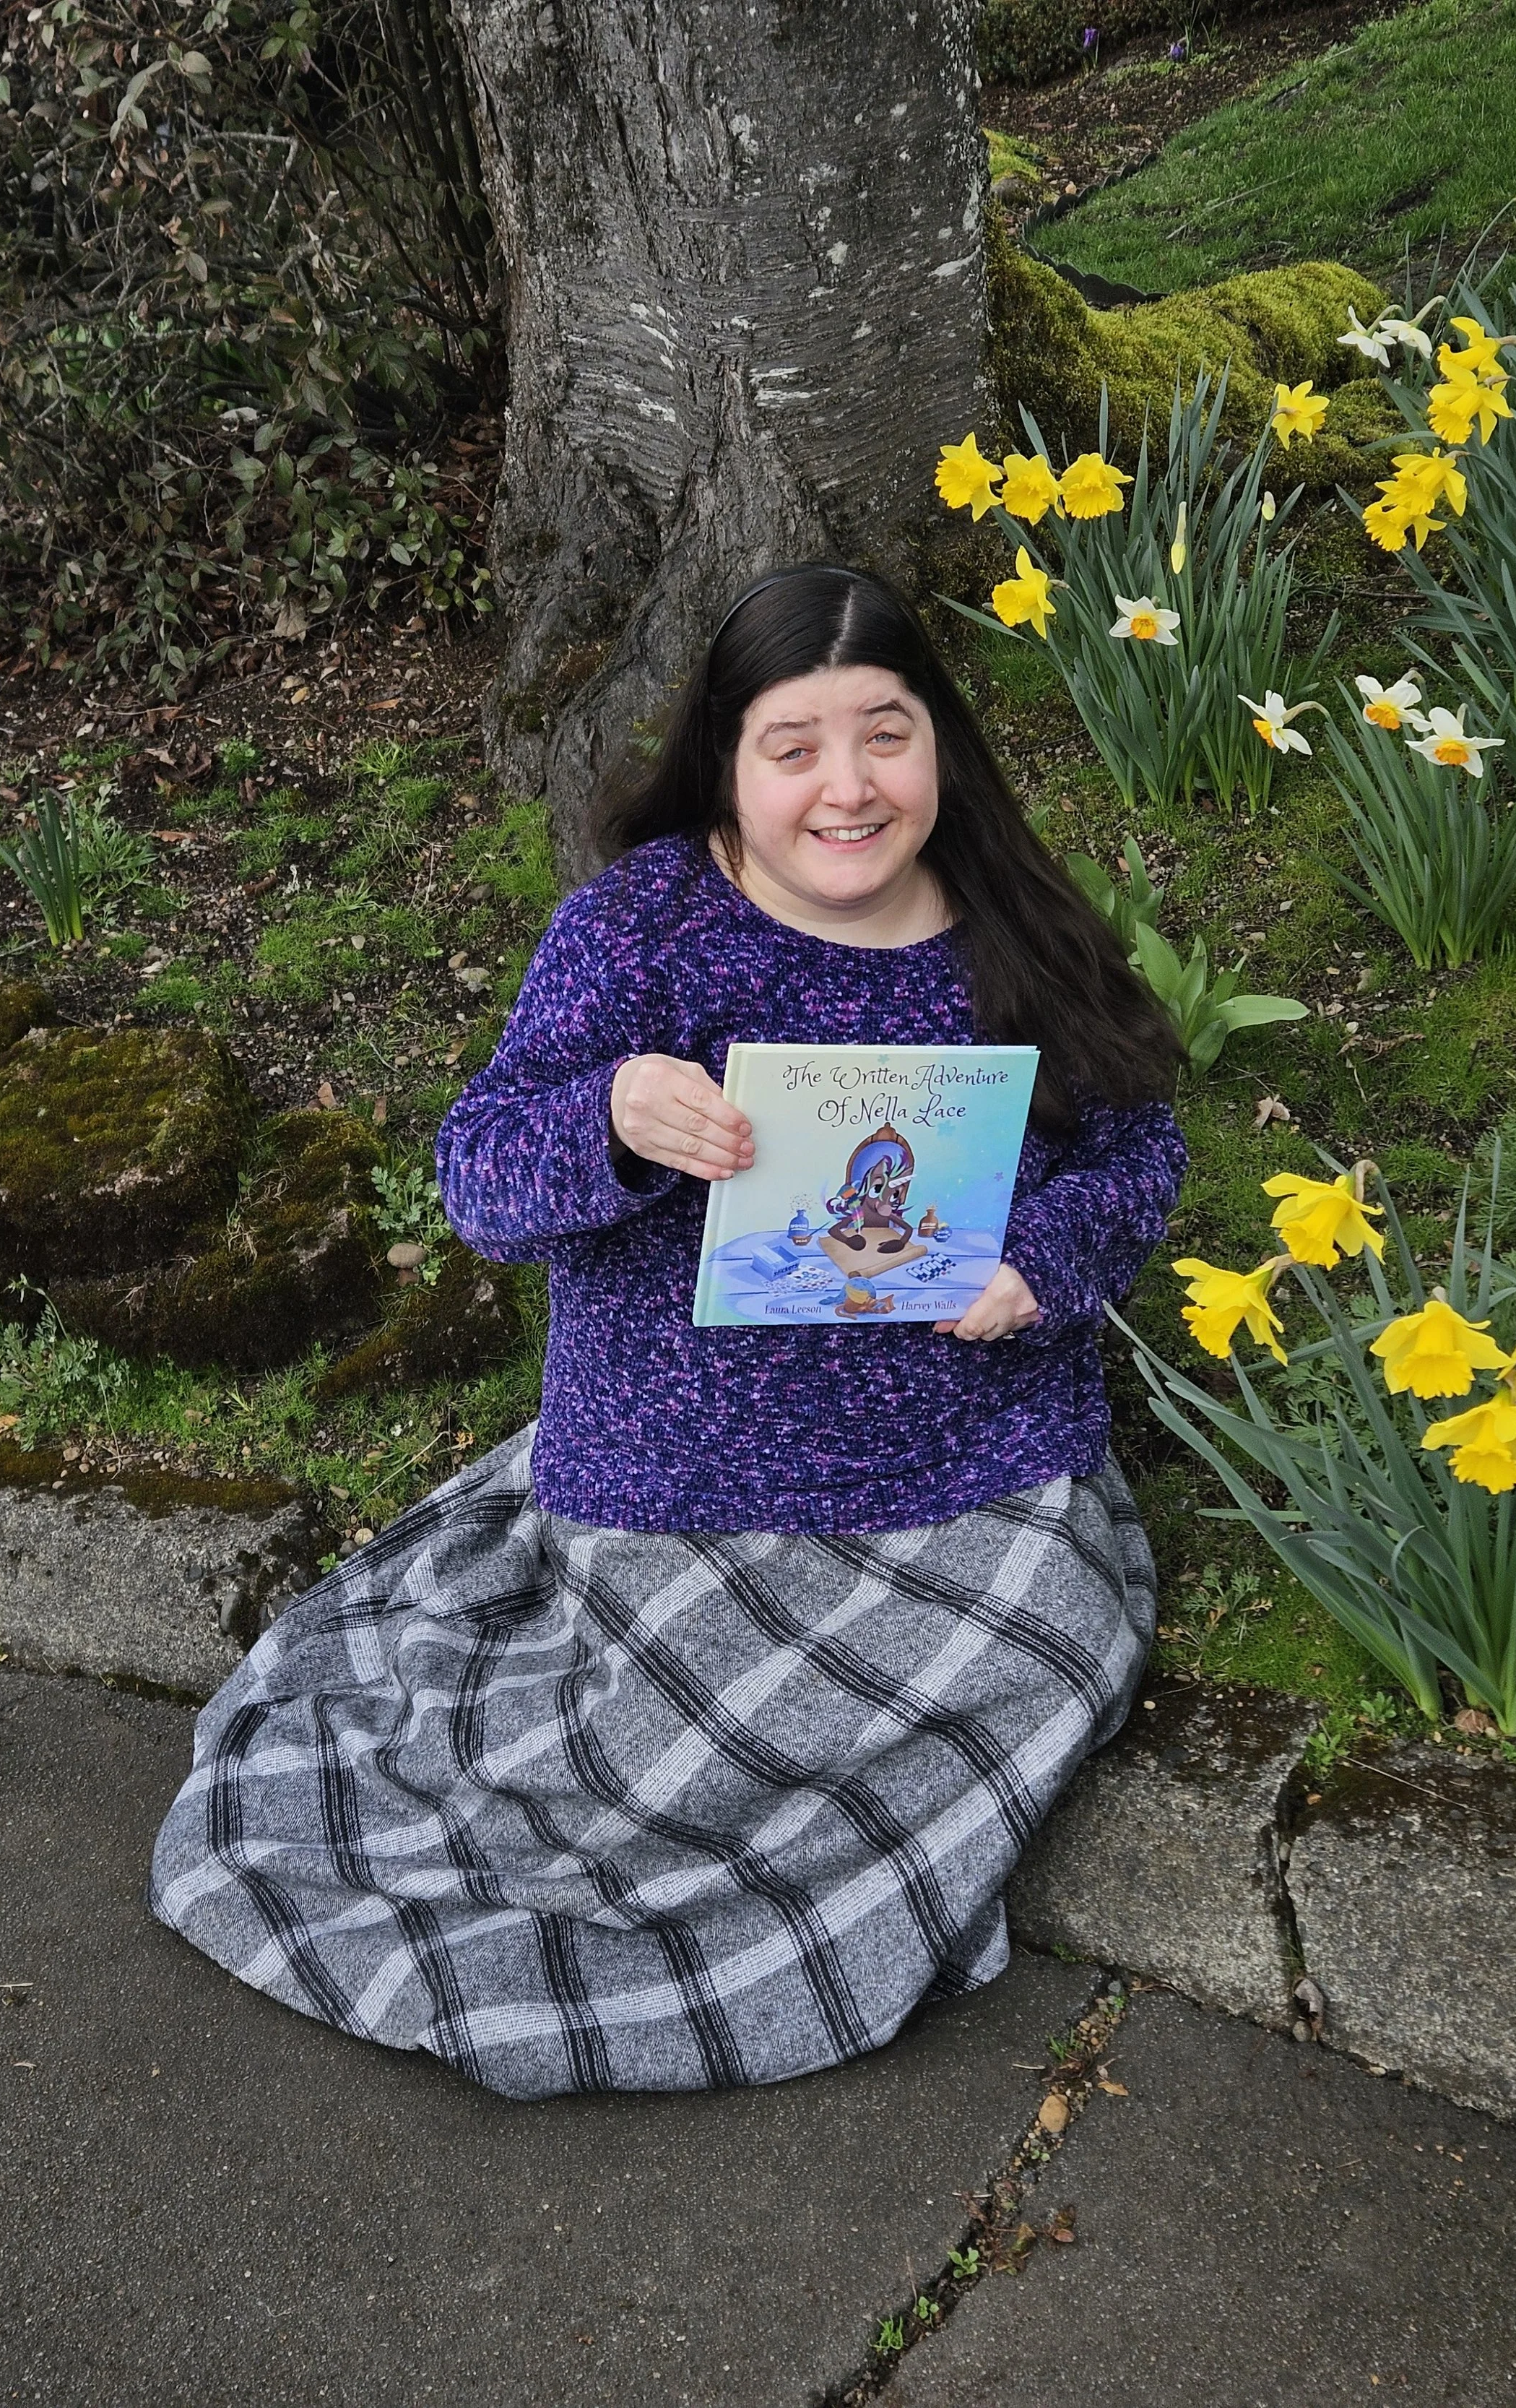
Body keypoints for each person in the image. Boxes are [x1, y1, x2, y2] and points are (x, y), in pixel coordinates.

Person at [149, 564, 1188, 2100]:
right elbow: (481, 1179)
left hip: (965, 1457)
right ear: (728, 759)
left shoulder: (1016, 920)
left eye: (885, 734)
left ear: (940, 744)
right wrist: (612, 1117)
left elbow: (1139, 1148)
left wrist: (1044, 1258)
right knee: (640, 1771)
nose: (848, 787)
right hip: (678, 1468)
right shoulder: (641, 930)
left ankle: (828, 1905)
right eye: (794, 747)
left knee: (1056, 1636)